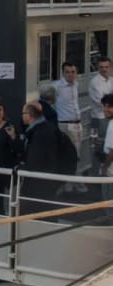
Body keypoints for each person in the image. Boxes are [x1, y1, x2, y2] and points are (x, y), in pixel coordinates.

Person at [20, 101, 62, 213]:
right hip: (45, 181)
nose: (21, 116)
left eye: (23, 113)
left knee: (34, 212)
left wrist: (22, 168)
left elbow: (34, 159)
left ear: (29, 115)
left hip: (38, 184)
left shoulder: (39, 133)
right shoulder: (46, 128)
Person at [54, 62, 87, 192]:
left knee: (77, 154)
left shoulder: (76, 85)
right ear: (63, 73)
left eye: (73, 72)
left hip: (77, 124)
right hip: (64, 124)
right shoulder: (56, 87)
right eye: (67, 72)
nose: (70, 75)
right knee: (66, 155)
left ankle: (74, 183)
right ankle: (67, 185)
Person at [89, 57, 113, 175]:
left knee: (109, 148)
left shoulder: (112, 80)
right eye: (101, 67)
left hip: (110, 119)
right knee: (97, 148)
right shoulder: (95, 82)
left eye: (106, 67)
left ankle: (106, 174)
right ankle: (94, 177)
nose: (104, 69)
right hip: (99, 120)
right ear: (98, 68)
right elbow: (102, 102)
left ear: (110, 67)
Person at [98, 94, 113, 217]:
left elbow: (112, 151)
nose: (105, 109)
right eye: (104, 106)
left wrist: (104, 167)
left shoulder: (112, 125)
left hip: (111, 171)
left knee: (108, 199)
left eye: (109, 106)